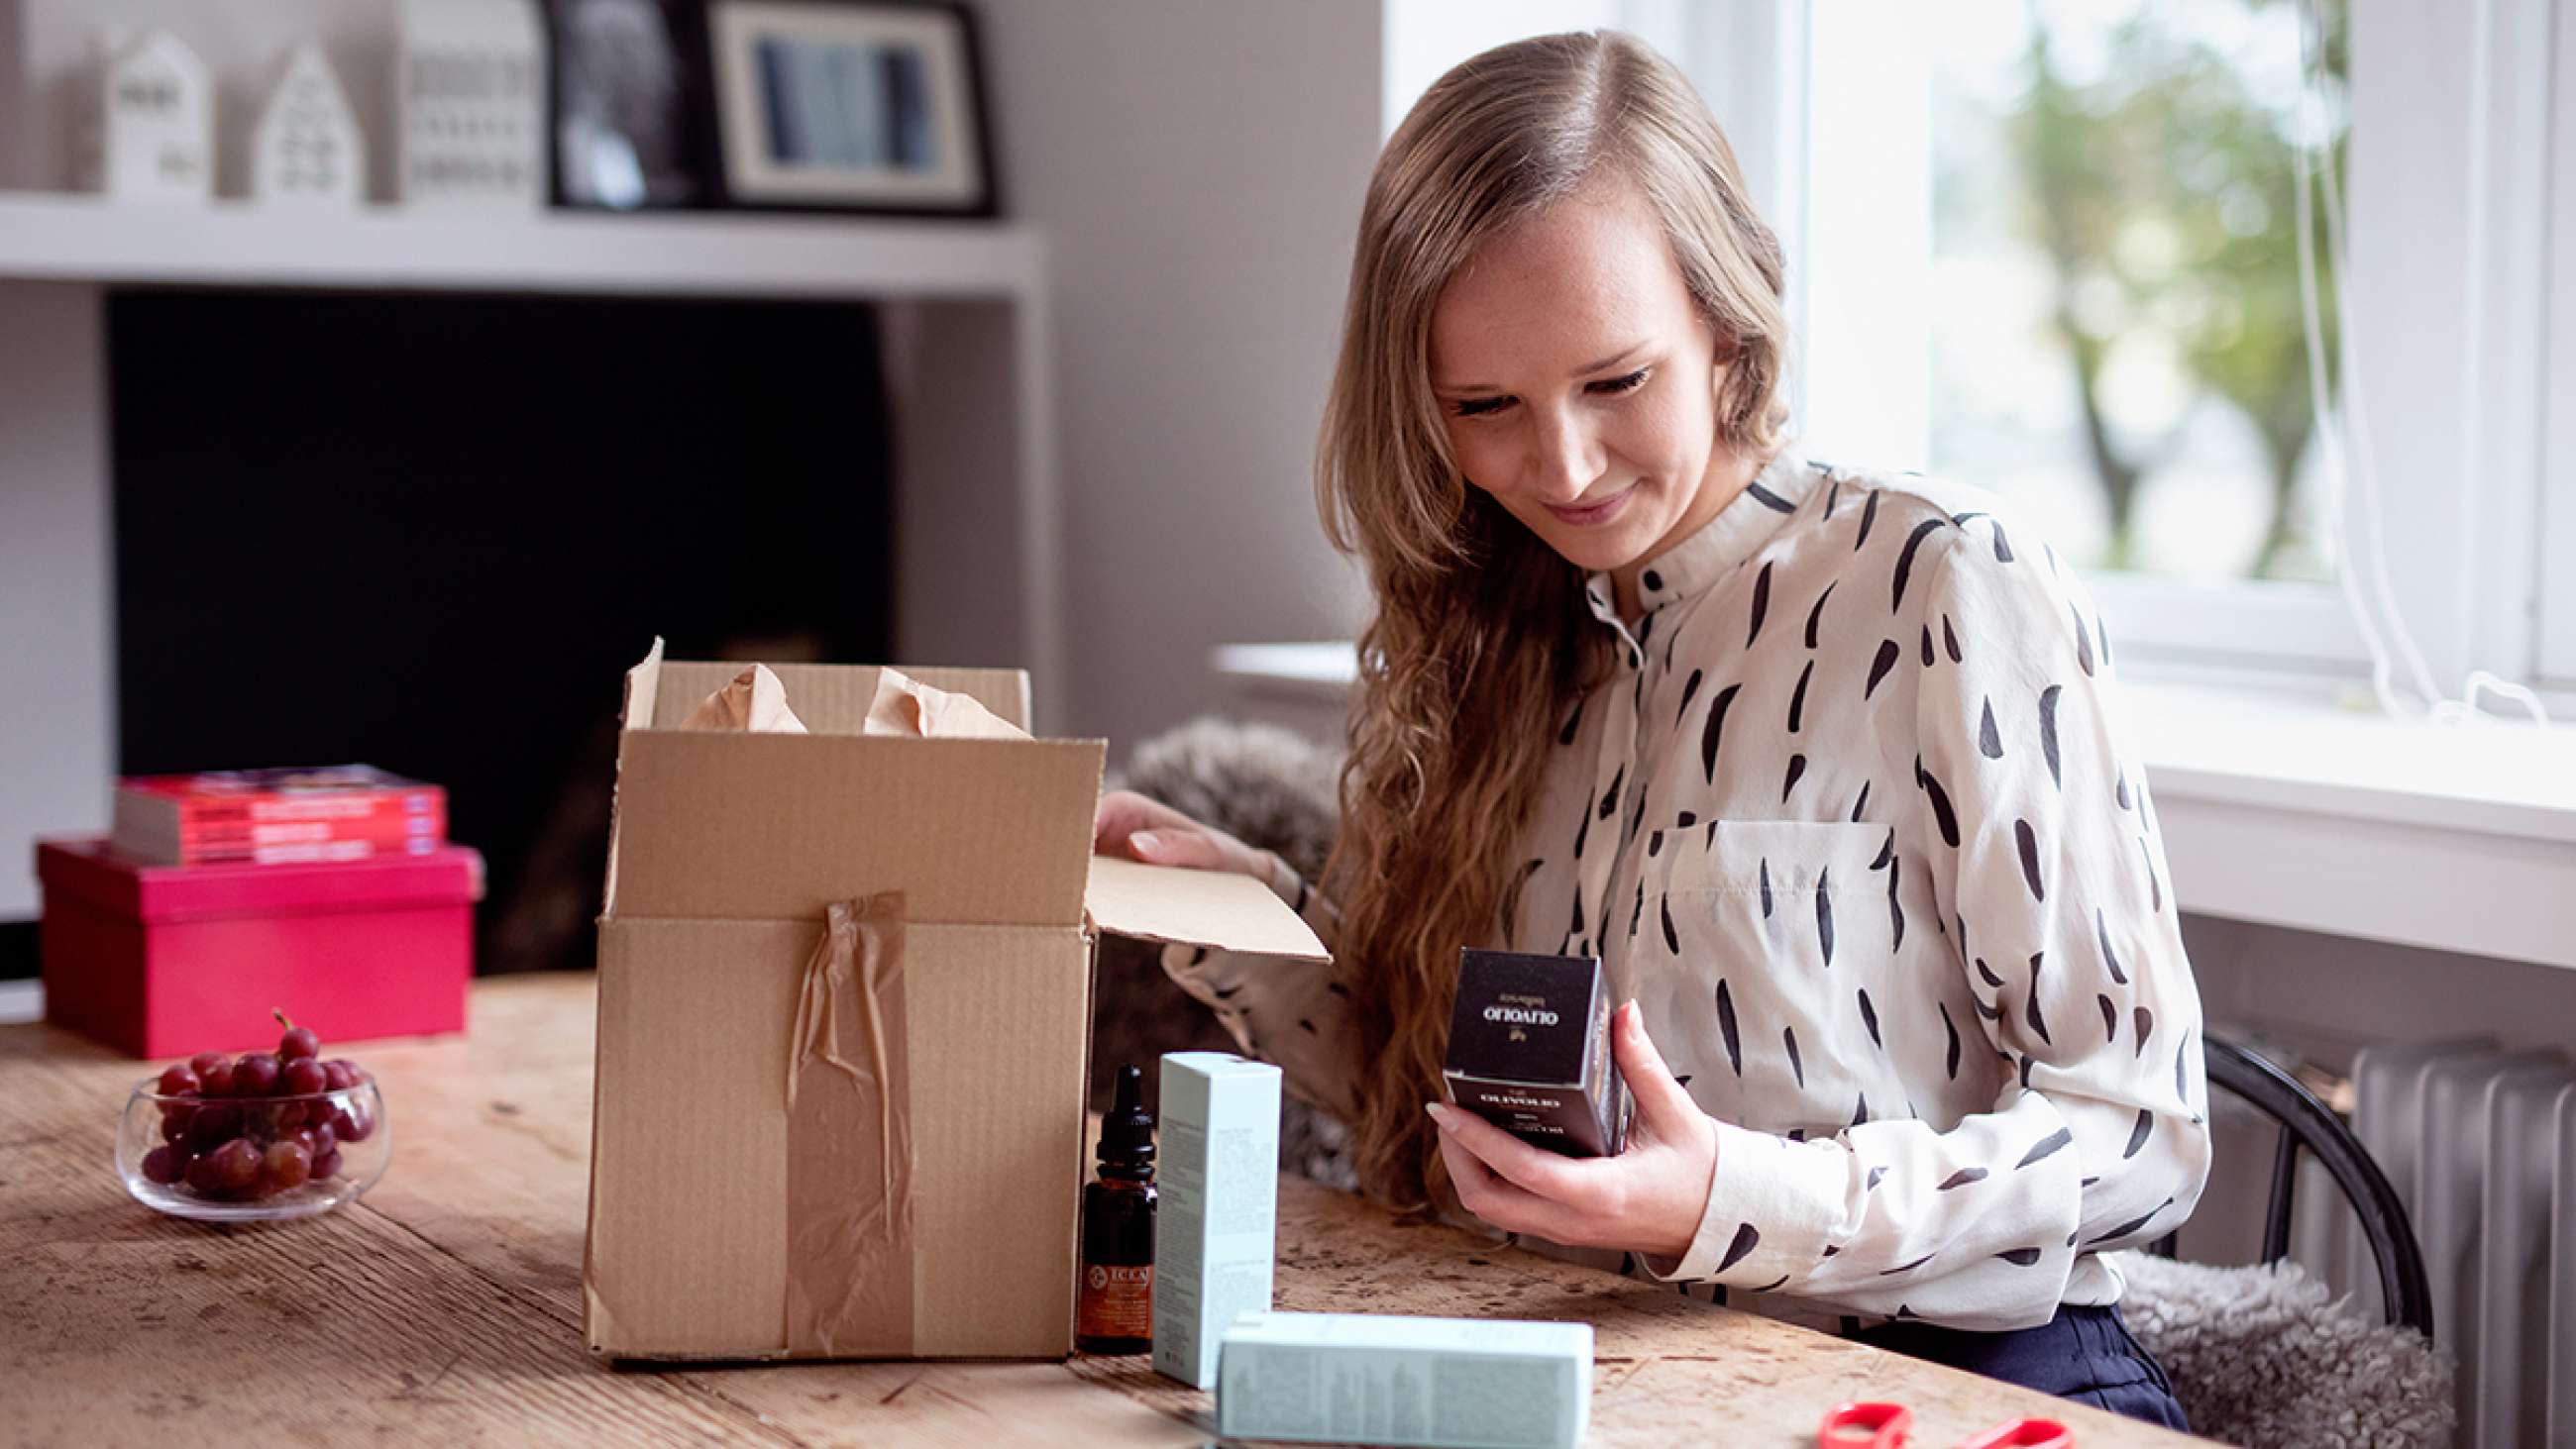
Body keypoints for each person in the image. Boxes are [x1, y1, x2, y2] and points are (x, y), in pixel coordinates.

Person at [1092, 31, 2206, 1429]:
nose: (1557, 466)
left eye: (1615, 381)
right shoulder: (1490, 641)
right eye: (1482, 408)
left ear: (1725, 324)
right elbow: (1437, 1092)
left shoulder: (1943, 586)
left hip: (1946, 1380)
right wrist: (1238, 919)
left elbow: (2140, 1133)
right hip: (1618, 1368)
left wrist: (1739, 1200)